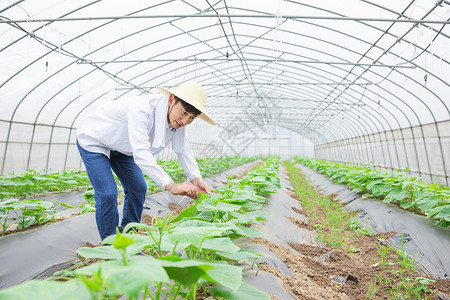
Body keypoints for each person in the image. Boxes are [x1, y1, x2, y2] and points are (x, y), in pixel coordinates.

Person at [76, 81, 215, 239]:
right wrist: (171, 185)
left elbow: (183, 149)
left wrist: (196, 179)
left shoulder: (177, 123)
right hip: (95, 140)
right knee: (107, 193)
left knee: (138, 188)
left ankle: (129, 238)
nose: (185, 121)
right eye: (184, 113)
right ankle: (110, 248)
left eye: (191, 118)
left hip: (123, 148)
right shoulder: (142, 109)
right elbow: (141, 152)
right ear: (171, 100)